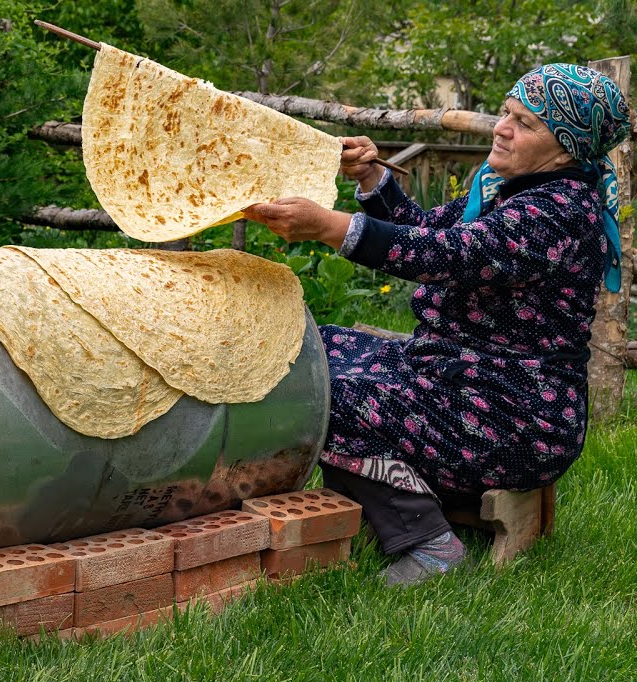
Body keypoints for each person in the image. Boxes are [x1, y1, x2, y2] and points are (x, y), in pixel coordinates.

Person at [242, 64, 632, 587]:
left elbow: (447, 254)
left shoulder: (557, 213)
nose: (503, 127)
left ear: (565, 148)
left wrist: (328, 227)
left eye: (526, 123)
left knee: (324, 398)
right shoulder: (509, 188)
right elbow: (428, 228)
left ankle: (427, 541)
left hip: (512, 415)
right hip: (453, 375)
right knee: (306, 350)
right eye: (507, 113)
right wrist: (372, 178)